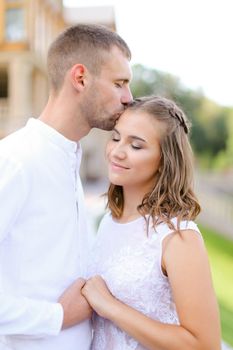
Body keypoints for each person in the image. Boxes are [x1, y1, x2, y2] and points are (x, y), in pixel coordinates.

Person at [0, 24, 132, 350]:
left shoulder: (67, 156)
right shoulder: (16, 160)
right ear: (80, 78)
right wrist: (57, 316)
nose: (128, 98)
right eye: (119, 84)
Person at [82, 96, 221, 350]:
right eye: (115, 137)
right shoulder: (109, 221)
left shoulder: (178, 237)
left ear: (164, 160)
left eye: (136, 146)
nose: (117, 151)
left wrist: (110, 307)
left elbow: (205, 344)